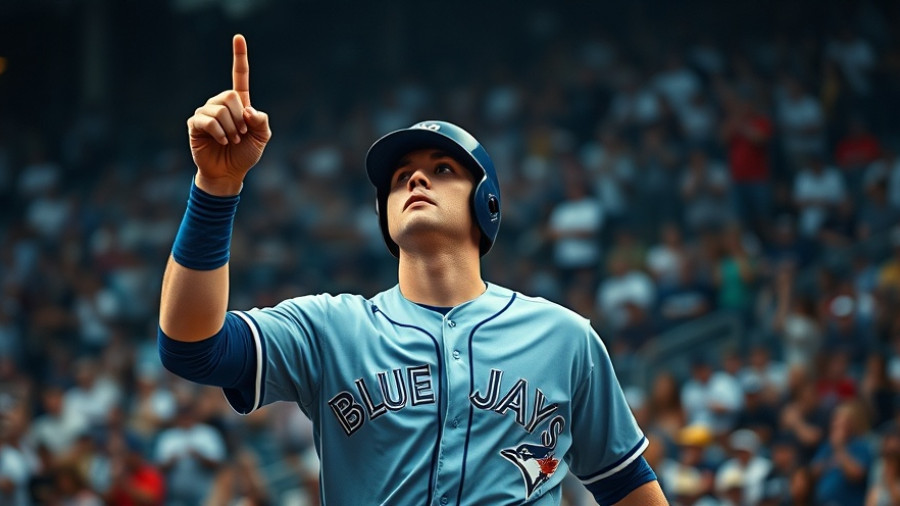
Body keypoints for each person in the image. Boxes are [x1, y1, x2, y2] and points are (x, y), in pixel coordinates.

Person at [157, 35, 665, 505]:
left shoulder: (564, 338)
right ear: (385, 216)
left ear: (486, 203)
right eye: (401, 177)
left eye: (442, 169)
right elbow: (192, 349)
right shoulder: (330, 329)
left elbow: (626, 484)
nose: (417, 177)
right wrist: (216, 187)